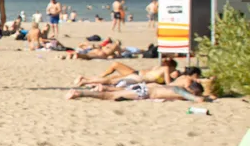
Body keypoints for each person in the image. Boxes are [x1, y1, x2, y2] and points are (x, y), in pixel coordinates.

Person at [67, 79, 206, 102]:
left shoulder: (175, 87)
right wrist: (203, 98)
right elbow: (197, 100)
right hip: (143, 92)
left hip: (142, 87)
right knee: (109, 96)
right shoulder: (180, 90)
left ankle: (81, 92)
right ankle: (80, 93)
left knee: (112, 94)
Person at [73, 58, 178, 87]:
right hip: (137, 76)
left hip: (138, 75)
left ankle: (87, 79)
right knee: (111, 80)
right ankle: (86, 80)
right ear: (172, 67)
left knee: (112, 79)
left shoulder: (158, 67)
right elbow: (169, 84)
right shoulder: (165, 70)